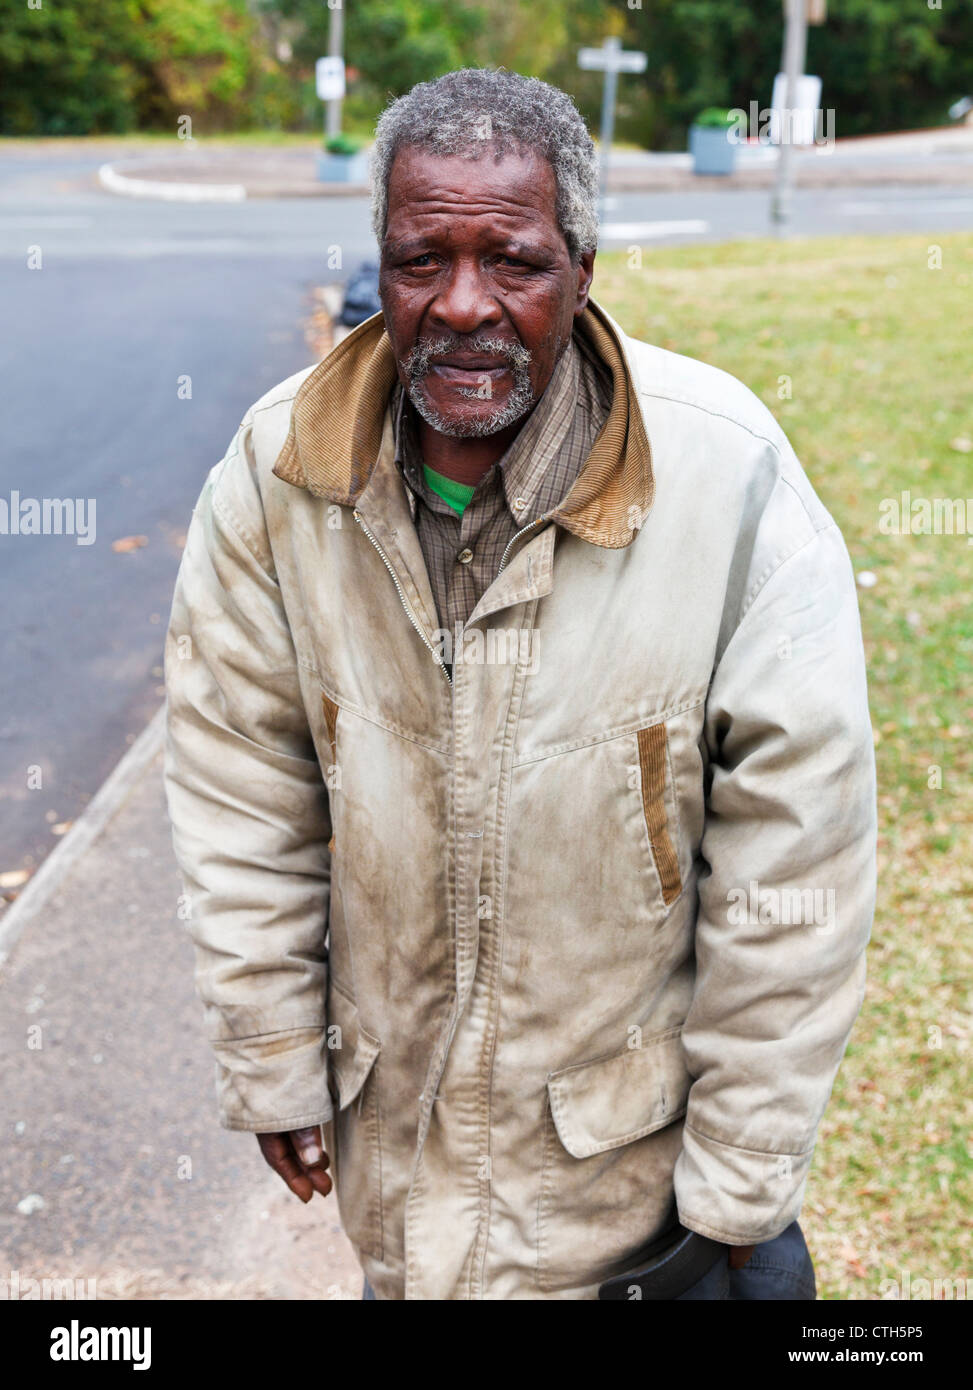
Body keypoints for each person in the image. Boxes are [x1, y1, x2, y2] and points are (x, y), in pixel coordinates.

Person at [164, 68, 876, 1301]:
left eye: (514, 261)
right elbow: (242, 786)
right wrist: (277, 1048)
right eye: (418, 259)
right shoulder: (276, 477)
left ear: (583, 268)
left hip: (631, 1192)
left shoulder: (728, 476)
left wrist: (744, 1174)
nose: (461, 305)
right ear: (378, 266)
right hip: (396, 1155)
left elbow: (796, 858)